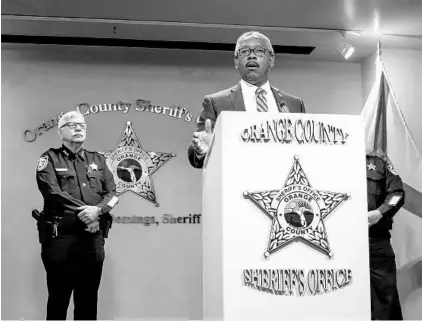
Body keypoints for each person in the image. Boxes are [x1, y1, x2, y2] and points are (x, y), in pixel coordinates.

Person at [36, 111, 118, 320]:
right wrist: (87, 213)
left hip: (92, 240)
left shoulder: (98, 159)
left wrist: (97, 211)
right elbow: (52, 192)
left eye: (82, 125)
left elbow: (112, 194)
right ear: (60, 131)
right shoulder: (50, 158)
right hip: (60, 239)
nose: (79, 128)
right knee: (58, 298)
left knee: (88, 300)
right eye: (72, 125)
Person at [188, 30, 307, 168]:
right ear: (236, 61)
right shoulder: (215, 102)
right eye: (244, 51)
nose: (251, 56)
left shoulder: (294, 104)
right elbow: (196, 152)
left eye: (259, 51)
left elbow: (305, 150)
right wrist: (202, 152)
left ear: (272, 59)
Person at [366, 153, 405, 320]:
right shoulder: (331, 160)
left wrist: (380, 212)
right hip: (342, 243)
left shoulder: (378, 163)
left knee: (385, 298)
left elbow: (397, 194)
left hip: (376, 241)